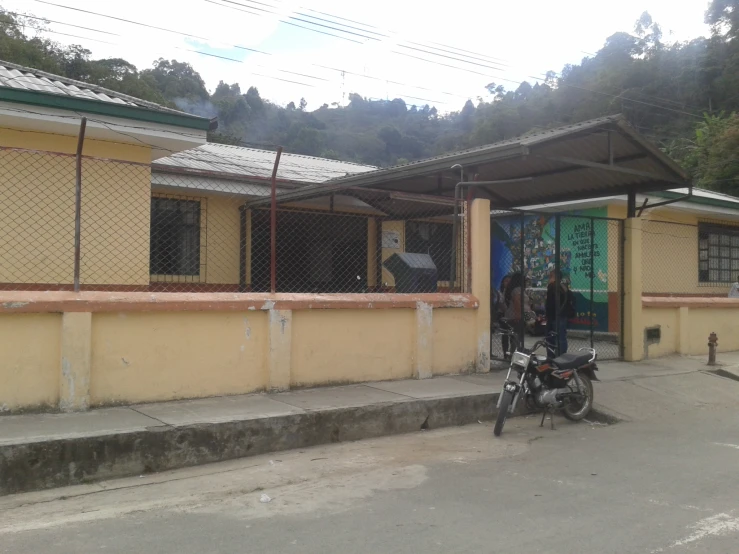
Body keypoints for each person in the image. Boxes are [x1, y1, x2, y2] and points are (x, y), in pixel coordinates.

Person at [545, 269, 571, 357]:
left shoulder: (552, 286)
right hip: (561, 315)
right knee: (561, 337)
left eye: (550, 276)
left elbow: (550, 303)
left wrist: (547, 314)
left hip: (554, 316)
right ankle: (561, 355)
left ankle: (553, 356)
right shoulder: (563, 286)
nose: (549, 278)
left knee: (551, 338)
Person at [504, 272, 526, 358]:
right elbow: (517, 302)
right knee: (516, 336)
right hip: (516, 315)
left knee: (515, 336)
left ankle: (514, 353)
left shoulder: (515, 289)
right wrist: (518, 314)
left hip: (515, 314)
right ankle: (514, 354)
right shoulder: (518, 290)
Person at [494, 275, 512, 357]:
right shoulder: (500, 292)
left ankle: (512, 353)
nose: (507, 283)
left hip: (512, 315)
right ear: (502, 283)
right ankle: (505, 353)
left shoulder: (513, 292)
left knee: (512, 335)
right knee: (505, 335)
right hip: (503, 315)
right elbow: (501, 304)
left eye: (509, 281)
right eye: (506, 281)